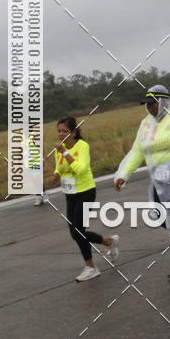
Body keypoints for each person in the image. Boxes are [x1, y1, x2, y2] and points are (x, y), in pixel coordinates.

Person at [113, 84, 170, 281]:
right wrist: (123, 174)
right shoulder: (146, 124)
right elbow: (137, 151)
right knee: (162, 217)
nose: (150, 107)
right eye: (147, 104)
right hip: (159, 180)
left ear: (163, 102)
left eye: (153, 103)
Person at [52, 116, 118, 281]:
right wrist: (55, 175)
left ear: (74, 132)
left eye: (65, 131)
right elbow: (59, 167)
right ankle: (108, 241)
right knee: (75, 233)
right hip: (70, 193)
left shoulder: (82, 146)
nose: (61, 134)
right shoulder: (58, 149)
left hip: (86, 191)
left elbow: (80, 169)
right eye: (59, 131)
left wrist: (65, 153)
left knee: (78, 231)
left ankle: (90, 267)